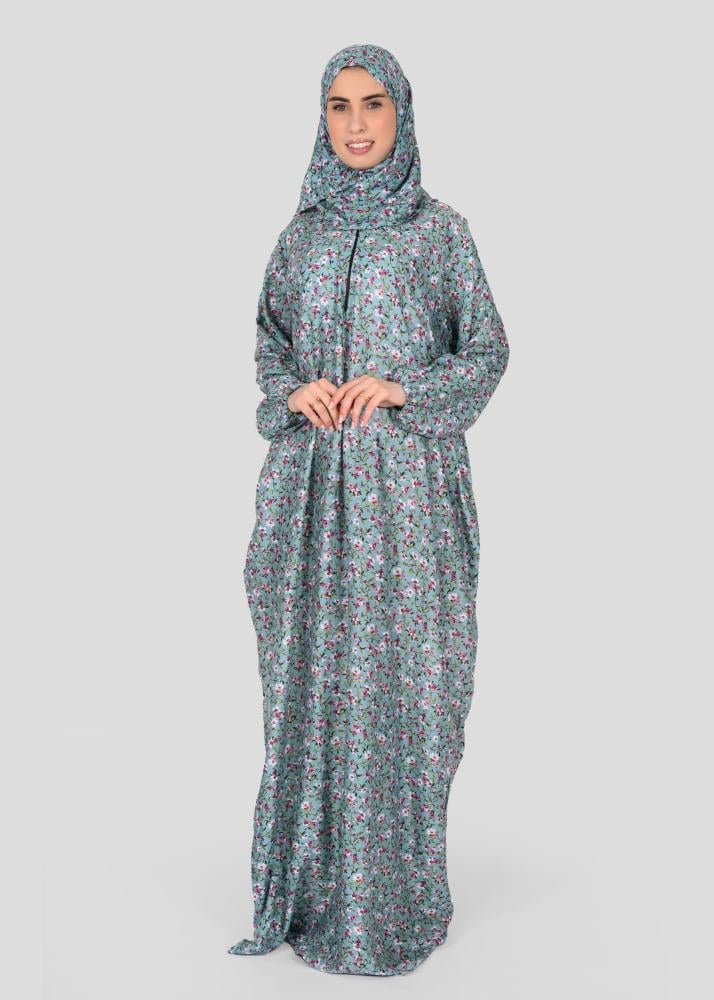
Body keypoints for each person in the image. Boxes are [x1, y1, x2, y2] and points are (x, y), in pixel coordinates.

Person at [228, 42, 510, 976]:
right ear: (322, 119)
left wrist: (401, 388)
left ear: (402, 115)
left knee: (409, 685)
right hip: (309, 507)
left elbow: (487, 352)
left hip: (408, 508)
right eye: (339, 106)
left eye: (373, 105)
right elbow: (269, 344)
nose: (356, 124)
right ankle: (311, 894)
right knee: (312, 684)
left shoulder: (440, 234)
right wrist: (295, 390)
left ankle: (395, 901)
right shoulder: (300, 238)